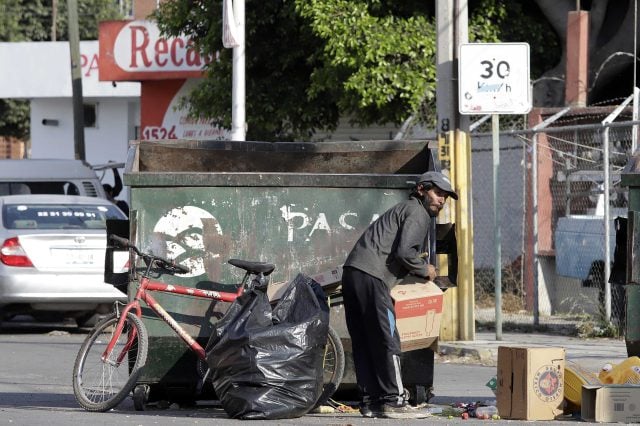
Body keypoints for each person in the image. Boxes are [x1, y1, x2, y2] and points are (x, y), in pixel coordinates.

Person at [341, 171, 458, 419]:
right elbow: (405, 253)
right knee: (388, 337)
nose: (441, 201)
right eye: (438, 193)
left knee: (364, 341)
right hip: (372, 276)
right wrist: (424, 269)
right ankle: (394, 401)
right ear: (421, 190)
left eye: (445, 197)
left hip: (353, 273)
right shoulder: (418, 212)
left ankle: (371, 402)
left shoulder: (403, 209)